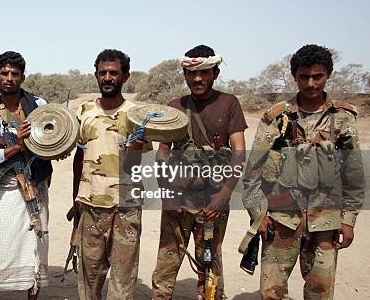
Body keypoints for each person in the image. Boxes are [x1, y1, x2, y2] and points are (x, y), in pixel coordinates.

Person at [242, 44, 365, 300]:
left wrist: (349, 219)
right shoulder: (276, 117)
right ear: (294, 76)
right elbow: (252, 173)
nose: (310, 83)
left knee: (320, 292)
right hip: (280, 220)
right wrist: (258, 214)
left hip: (326, 223)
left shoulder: (342, 118)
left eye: (317, 76)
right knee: (271, 293)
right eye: (304, 77)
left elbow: (353, 175)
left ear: (328, 74)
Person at [151, 45, 247, 300]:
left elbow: (239, 152)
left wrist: (223, 196)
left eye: (204, 72)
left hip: (213, 205)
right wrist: (168, 195)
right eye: (191, 73)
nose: (197, 79)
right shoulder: (175, 106)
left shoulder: (229, 104)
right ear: (184, 75)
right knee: (165, 268)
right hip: (178, 202)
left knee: (209, 265)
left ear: (215, 73)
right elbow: (162, 154)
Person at [73, 49, 149, 300]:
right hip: (91, 206)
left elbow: (142, 165)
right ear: (96, 76)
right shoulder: (83, 113)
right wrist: (76, 200)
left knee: (123, 280)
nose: (108, 77)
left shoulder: (138, 116)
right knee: (89, 279)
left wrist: (135, 145)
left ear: (125, 77)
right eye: (102, 73)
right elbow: (79, 158)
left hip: (126, 209)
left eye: (114, 73)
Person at [0, 51, 52, 300]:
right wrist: (14, 148)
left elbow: (54, 136)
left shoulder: (38, 106)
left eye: (15, 74)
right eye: (4, 73)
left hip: (34, 185)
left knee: (35, 246)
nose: (9, 78)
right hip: (3, 189)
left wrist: (54, 148)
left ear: (22, 77)